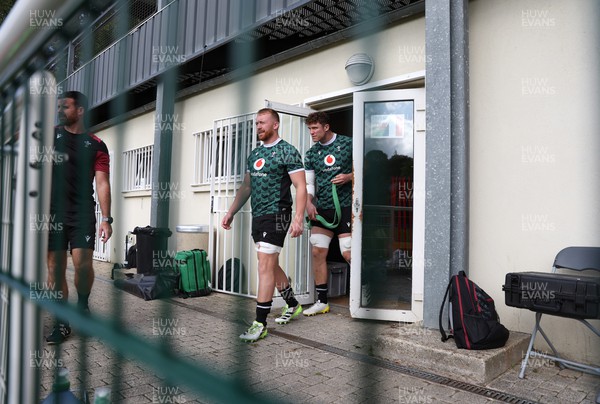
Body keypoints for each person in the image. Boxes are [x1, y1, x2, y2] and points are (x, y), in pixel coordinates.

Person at [222, 108, 307, 342]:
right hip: (258, 216)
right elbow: (246, 187)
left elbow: (301, 186)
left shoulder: (287, 151)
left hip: (277, 214)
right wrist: (231, 211)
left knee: (264, 266)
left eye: (262, 122)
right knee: (268, 263)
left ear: (275, 124)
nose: (258, 127)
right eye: (256, 123)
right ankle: (292, 302)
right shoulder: (255, 154)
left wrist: (298, 218)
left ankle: (260, 323)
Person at [45, 91, 112, 344]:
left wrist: (107, 218)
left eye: (65, 107)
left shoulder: (96, 144)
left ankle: (83, 305)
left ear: (80, 110)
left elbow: (103, 183)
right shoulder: (51, 135)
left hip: (82, 212)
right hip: (51, 214)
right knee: (55, 268)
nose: (60, 110)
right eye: (58, 106)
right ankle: (62, 322)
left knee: (83, 265)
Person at [303, 111, 353, 316]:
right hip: (323, 208)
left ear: (326, 127)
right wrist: (308, 203)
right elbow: (308, 183)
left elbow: (369, 168)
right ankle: (322, 301)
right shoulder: (311, 153)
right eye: (310, 129)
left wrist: (350, 176)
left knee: (348, 252)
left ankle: (365, 295)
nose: (312, 132)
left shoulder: (349, 143)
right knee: (317, 251)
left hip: (347, 206)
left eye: (315, 128)